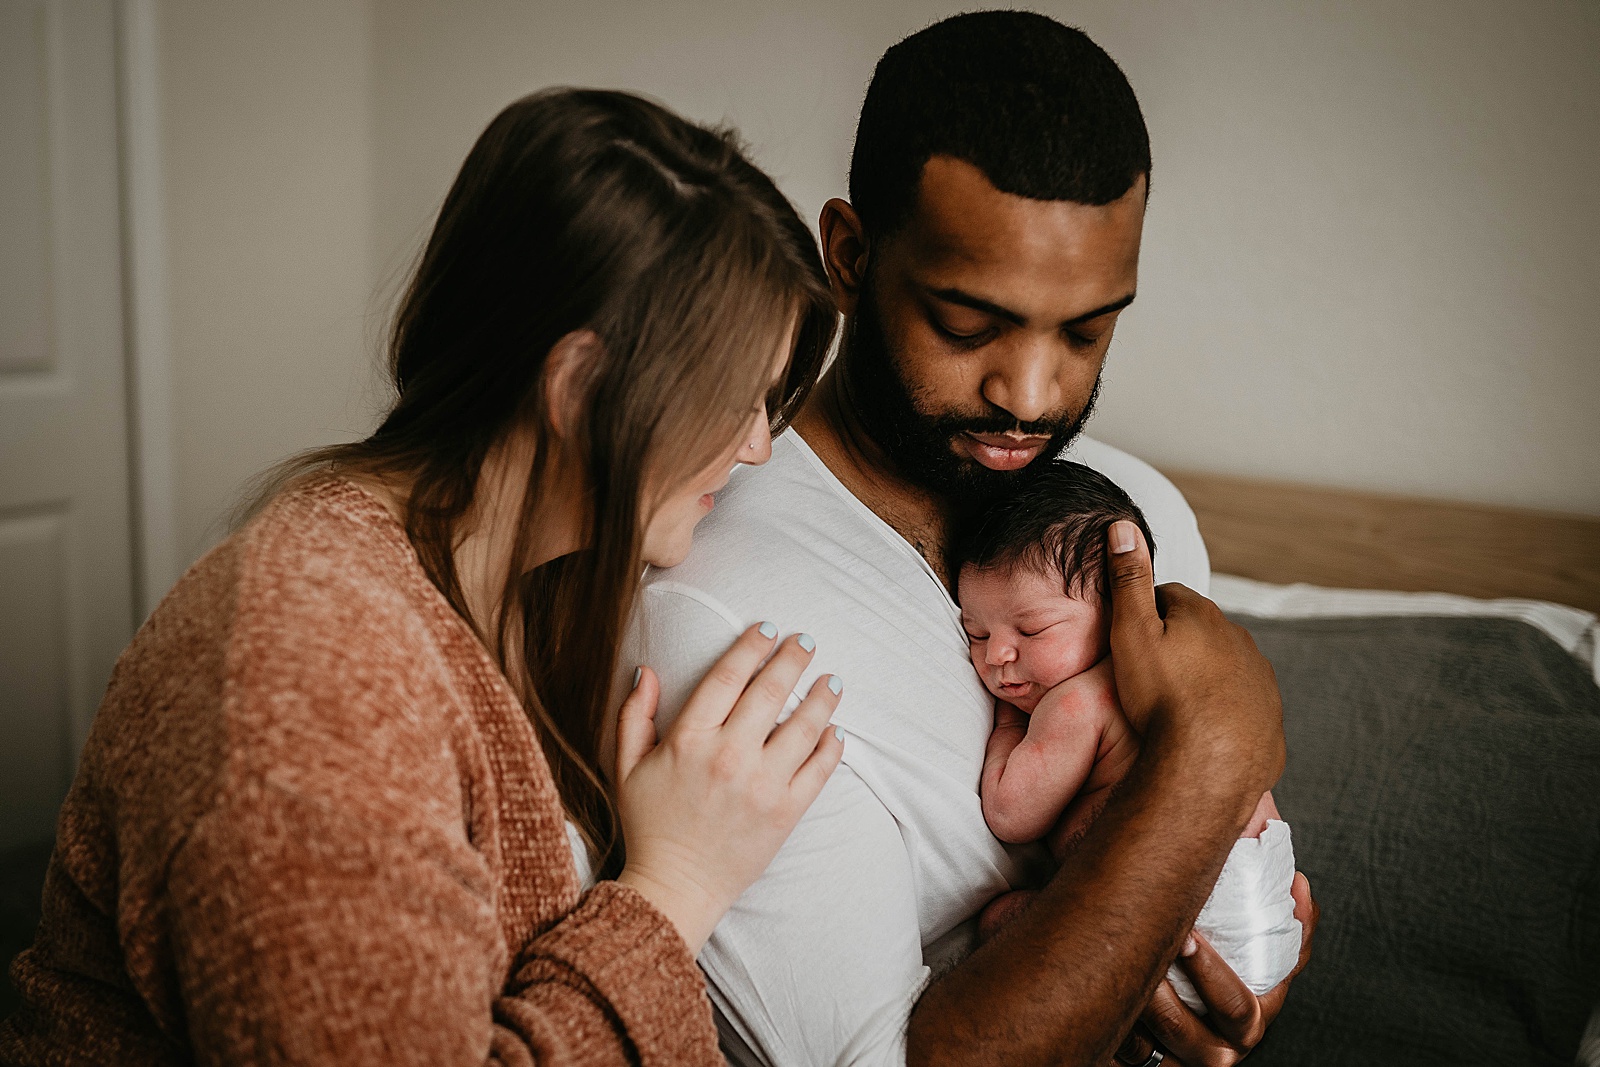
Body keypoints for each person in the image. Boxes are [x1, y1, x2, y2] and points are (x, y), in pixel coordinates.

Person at [0, 89, 846, 1065]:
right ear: (578, 388)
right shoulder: (308, 660)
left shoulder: (520, 585)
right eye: (734, 397)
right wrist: (677, 884)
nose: (755, 447)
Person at [622, 12, 1318, 1066]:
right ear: (849, 257)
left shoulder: (1137, 513)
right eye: (966, 323)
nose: (1029, 394)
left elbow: (1205, 868)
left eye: (1086, 330)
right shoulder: (720, 607)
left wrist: (1238, 960)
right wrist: (1213, 755)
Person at [954, 461, 1302, 1012]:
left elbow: (1010, 812)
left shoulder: (1078, 701)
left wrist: (1006, 726)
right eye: (976, 632)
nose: (996, 654)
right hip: (1268, 920)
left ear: (1119, 612)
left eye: (1032, 629)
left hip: (1190, 921)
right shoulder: (1191, 677)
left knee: (1001, 919)